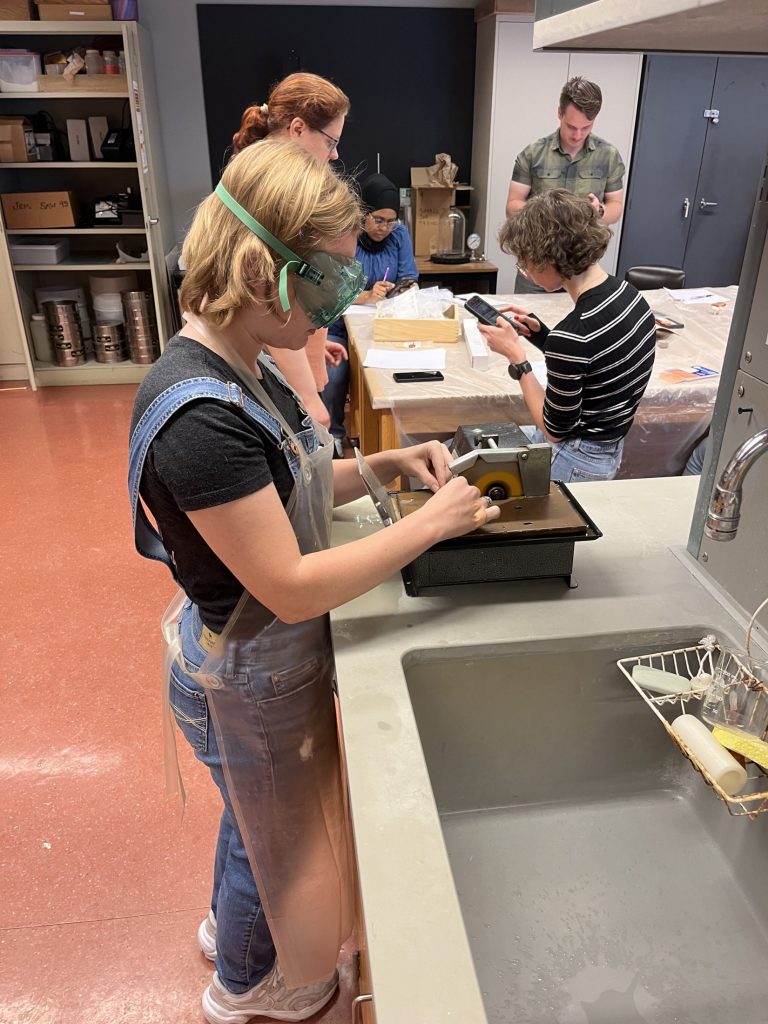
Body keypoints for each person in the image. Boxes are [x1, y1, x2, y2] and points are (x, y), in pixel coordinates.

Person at [128, 139, 498, 1024]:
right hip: (249, 674)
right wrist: (430, 526)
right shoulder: (195, 415)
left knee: (250, 824)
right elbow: (290, 583)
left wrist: (386, 466)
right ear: (262, 270)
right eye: (327, 274)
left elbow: (289, 476)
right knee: (278, 852)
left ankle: (233, 933)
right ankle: (253, 988)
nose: (340, 294)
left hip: (263, 664)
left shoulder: (239, 360)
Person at [479, 189, 656, 483]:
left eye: (525, 263)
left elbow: (553, 429)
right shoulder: (629, 295)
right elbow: (595, 363)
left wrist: (518, 359)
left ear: (547, 259)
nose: (525, 271)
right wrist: (542, 335)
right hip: (607, 451)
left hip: (573, 460)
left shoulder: (573, 336)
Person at [231, 72, 351, 428]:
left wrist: (311, 343)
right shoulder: (273, 188)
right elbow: (269, 301)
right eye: (330, 142)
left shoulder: (258, 171)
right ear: (297, 128)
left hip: (279, 345)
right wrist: (309, 399)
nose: (334, 154)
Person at [322, 172, 418, 451]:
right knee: (335, 373)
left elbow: (409, 278)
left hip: (383, 324)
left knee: (392, 373)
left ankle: (391, 436)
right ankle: (335, 434)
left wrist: (395, 292)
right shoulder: (344, 235)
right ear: (363, 214)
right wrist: (366, 296)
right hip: (340, 328)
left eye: (391, 221)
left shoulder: (399, 235)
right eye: (378, 220)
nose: (385, 228)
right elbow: (332, 291)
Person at [505, 76, 626, 294]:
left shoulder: (608, 155)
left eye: (586, 127)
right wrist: (546, 215)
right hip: (538, 266)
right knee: (527, 323)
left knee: (580, 325)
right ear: (559, 113)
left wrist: (599, 211)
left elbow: (616, 206)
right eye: (571, 127)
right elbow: (512, 206)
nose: (578, 135)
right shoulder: (533, 154)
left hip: (582, 270)